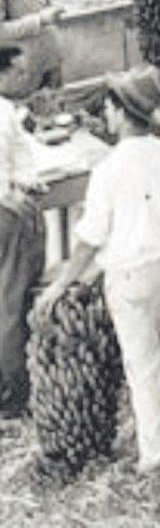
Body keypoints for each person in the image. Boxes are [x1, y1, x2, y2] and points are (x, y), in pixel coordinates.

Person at [34, 67, 160, 473]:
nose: (105, 114)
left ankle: (155, 457)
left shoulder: (109, 168)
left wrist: (62, 285)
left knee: (142, 368)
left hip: (133, 278)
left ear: (121, 113)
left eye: (107, 107)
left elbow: (89, 239)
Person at [0, 46, 45, 419]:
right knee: (12, 302)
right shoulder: (1, 113)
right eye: (20, 72)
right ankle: (16, 393)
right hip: (5, 215)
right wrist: (11, 195)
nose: (26, 78)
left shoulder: (9, 112)